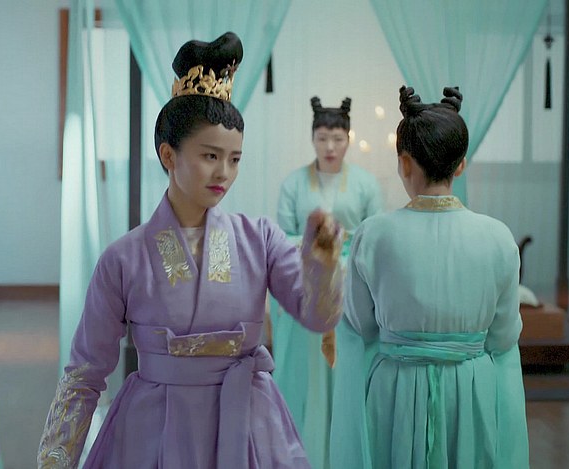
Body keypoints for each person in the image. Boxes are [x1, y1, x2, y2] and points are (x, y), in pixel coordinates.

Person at [37, 32, 344, 469]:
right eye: (210, 156)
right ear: (169, 155)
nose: (224, 173)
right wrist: (56, 458)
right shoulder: (123, 259)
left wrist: (322, 264)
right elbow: (85, 372)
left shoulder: (260, 239)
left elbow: (318, 317)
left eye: (235, 159)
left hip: (248, 427)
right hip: (155, 431)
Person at [329, 86, 528, 468]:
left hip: (396, 389)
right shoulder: (498, 238)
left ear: (404, 163)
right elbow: (503, 338)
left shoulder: (374, 235)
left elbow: (360, 327)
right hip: (471, 390)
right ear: (461, 165)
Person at [271, 96, 382, 468]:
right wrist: (317, 251)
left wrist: (345, 259)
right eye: (322, 138)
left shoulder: (366, 184)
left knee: (347, 370)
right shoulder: (293, 183)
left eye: (337, 138)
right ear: (312, 139)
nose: (330, 146)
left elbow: (374, 235)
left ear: (348, 139)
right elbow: (282, 238)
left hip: (351, 286)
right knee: (306, 374)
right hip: (308, 281)